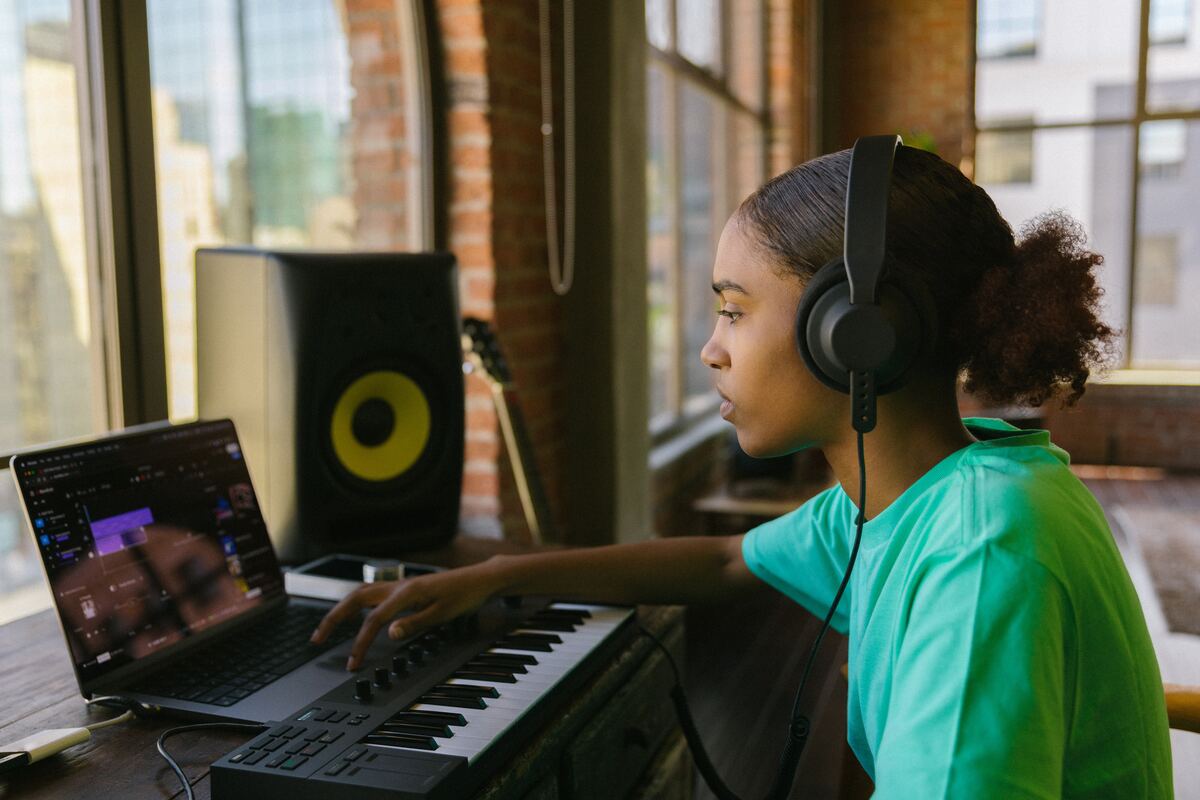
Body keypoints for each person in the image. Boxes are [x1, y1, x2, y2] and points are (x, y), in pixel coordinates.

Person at [311, 144, 1173, 798]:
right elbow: (726, 561)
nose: (709, 349)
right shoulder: (932, 489)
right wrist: (498, 576)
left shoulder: (982, 556)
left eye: (733, 310)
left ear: (854, 331)